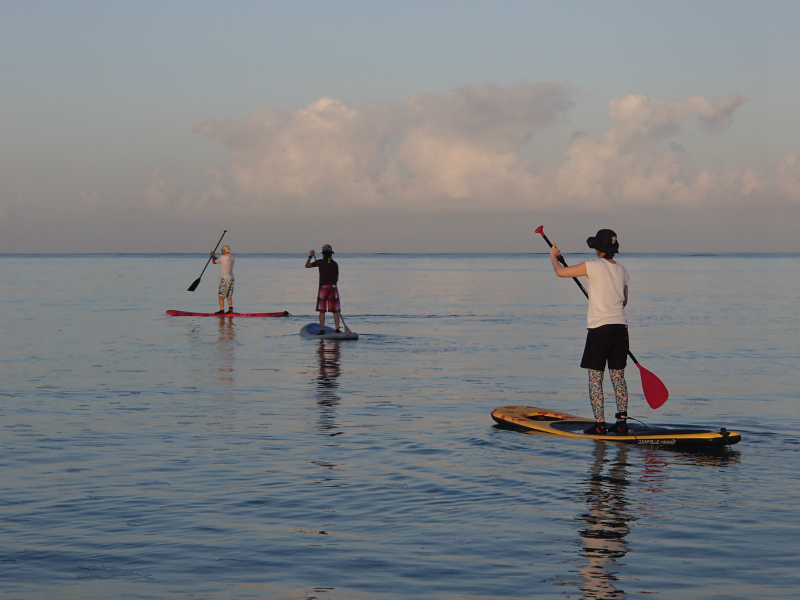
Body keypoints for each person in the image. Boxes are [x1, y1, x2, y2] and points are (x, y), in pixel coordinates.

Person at [549, 229, 630, 435]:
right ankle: (622, 423)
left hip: (599, 329)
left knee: (596, 379)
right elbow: (624, 301)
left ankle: (600, 425)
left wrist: (553, 256)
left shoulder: (591, 266)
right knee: (618, 377)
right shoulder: (622, 270)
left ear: (599, 249)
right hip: (620, 329)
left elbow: (560, 272)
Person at [305, 244, 341, 334]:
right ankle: (337, 329)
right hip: (333, 287)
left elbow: (307, 265)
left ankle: (322, 330)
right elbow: (337, 278)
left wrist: (310, 256)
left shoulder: (320, 262)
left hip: (323, 287)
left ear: (323, 254)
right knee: (335, 310)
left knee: (322, 310)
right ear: (331, 254)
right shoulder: (334, 264)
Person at [211, 245, 235, 314]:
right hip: (231, 278)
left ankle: (222, 310)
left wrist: (212, 256)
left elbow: (214, 262)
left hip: (225, 279)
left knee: (221, 295)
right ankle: (230, 309)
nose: (221, 252)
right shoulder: (232, 257)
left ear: (225, 250)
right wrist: (214, 256)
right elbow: (218, 260)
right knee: (229, 295)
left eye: (222, 251)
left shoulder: (223, 257)